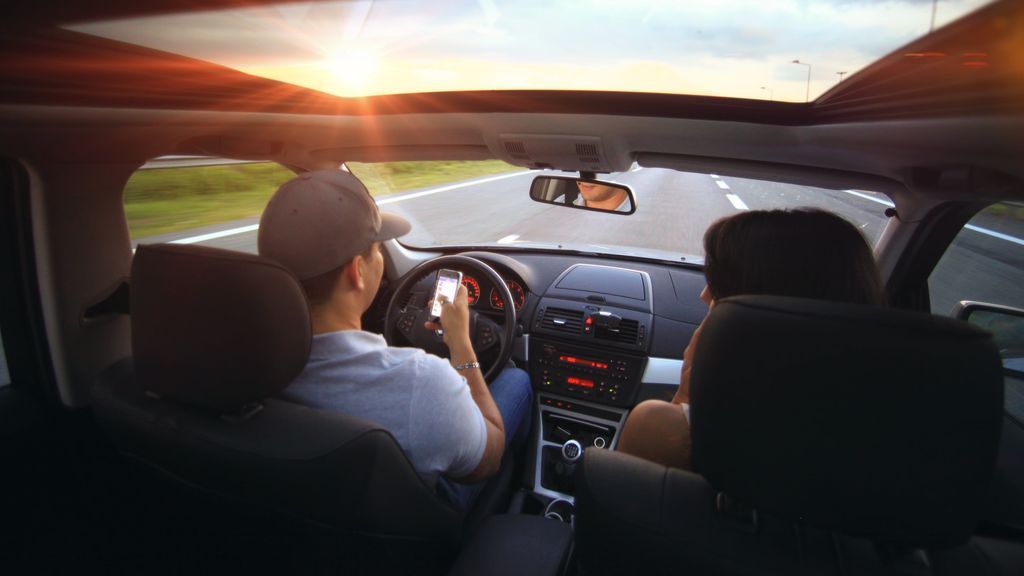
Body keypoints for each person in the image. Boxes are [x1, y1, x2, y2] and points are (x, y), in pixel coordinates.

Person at [257, 170, 533, 512]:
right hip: (415, 526)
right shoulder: (421, 381)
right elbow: (488, 458)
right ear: (356, 272)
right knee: (516, 380)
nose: (381, 261)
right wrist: (461, 343)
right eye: (377, 252)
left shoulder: (233, 363)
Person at [616, 208, 886, 470]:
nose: (704, 296)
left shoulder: (665, 429)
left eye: (720, 284)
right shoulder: (890, 421)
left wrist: (688, 395)